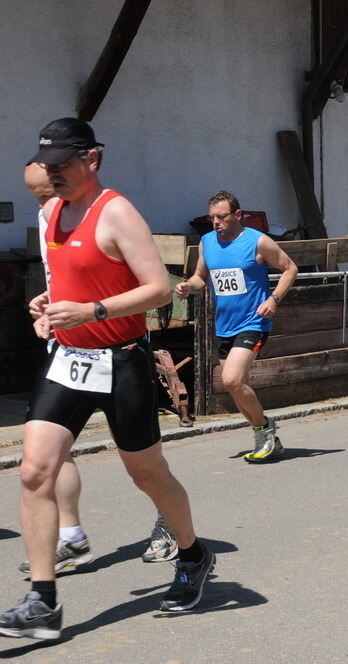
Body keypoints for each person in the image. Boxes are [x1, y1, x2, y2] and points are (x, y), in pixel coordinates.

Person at [1, 118, 215, 641]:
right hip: (67, 358)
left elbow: (159, 289)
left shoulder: (115, 211)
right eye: (46, 166)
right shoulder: (52, 210)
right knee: (34, 471)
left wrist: (92, 310)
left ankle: (193, 554)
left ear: (91, 160)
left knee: (148, 474)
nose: (52, 175)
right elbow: (69, 284)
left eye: (61, 166)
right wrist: (47, 306)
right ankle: (42, 602)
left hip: (121, 361)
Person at [176, 190, 298, 462]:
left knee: (231, 378)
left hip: (253, 321)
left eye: (221, 217)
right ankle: (264, 434)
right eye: (212, 218)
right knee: (234, 385)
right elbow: (200, 278)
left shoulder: (258, 242)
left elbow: (290, 268)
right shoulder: (206, 242)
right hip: (224, 325)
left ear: (237, 215)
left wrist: (274, 299)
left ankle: (265, 431)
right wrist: (188, 287)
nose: (216, 222)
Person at [16, 164, 93, 577]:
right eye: (36, 199)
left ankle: (171, 523)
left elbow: (138, 282)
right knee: (47, 450)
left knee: (144, 463)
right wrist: (45, 304)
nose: (44, 206)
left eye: (47, 195)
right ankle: (71, 538)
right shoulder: (48, 218)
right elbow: (61, 278)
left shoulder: (103, 213)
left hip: (116, 348)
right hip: (67, 349)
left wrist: (88, 310)